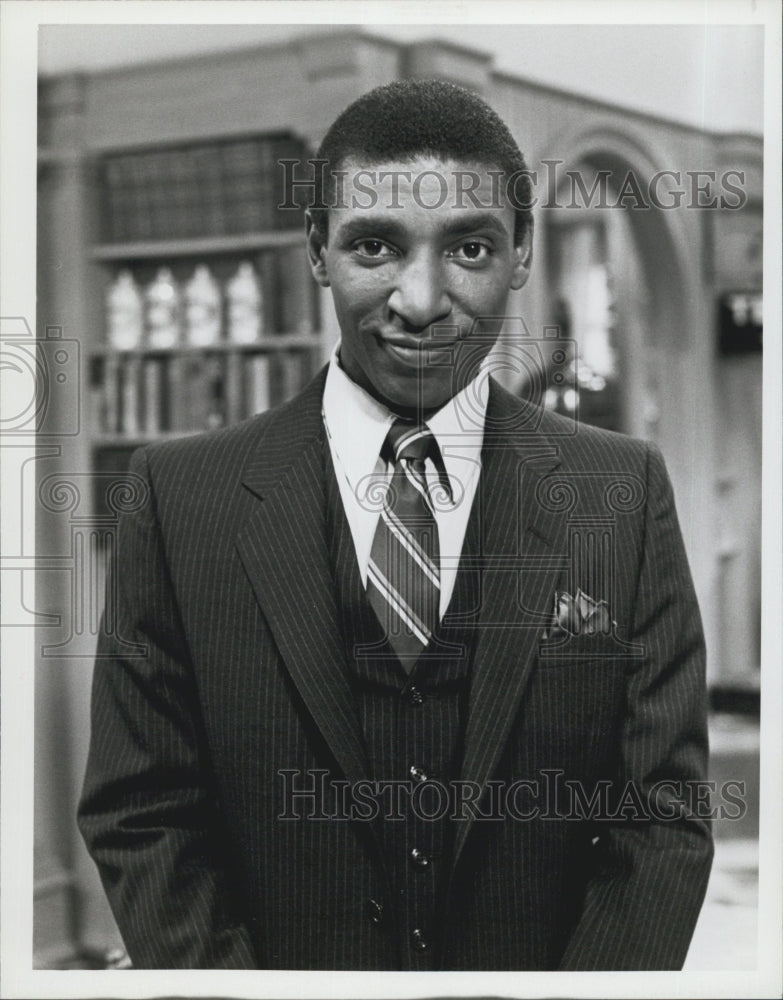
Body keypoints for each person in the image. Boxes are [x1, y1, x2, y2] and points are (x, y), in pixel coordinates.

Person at [78, 79, 713, 971]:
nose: (419, 299)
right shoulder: (179, 498)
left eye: (469, 247)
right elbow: (142, 812)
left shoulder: (624, 490)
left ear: (522, 252)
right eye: (375, 245)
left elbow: (662, 816)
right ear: (316, 251)